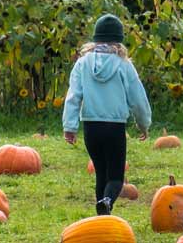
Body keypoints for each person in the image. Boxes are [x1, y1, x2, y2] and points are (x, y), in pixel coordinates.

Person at [63, 13, 152, 214]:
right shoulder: (124, 65)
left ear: (96, 39)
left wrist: (70, 127)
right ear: (118, 40)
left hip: (91, 127)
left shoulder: (82, 64)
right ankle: (107, 203)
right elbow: (138, 97)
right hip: (114, 127)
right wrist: (143, 123)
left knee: (100, 173)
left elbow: (73, 96)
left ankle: (102, 216)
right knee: (115, 178)